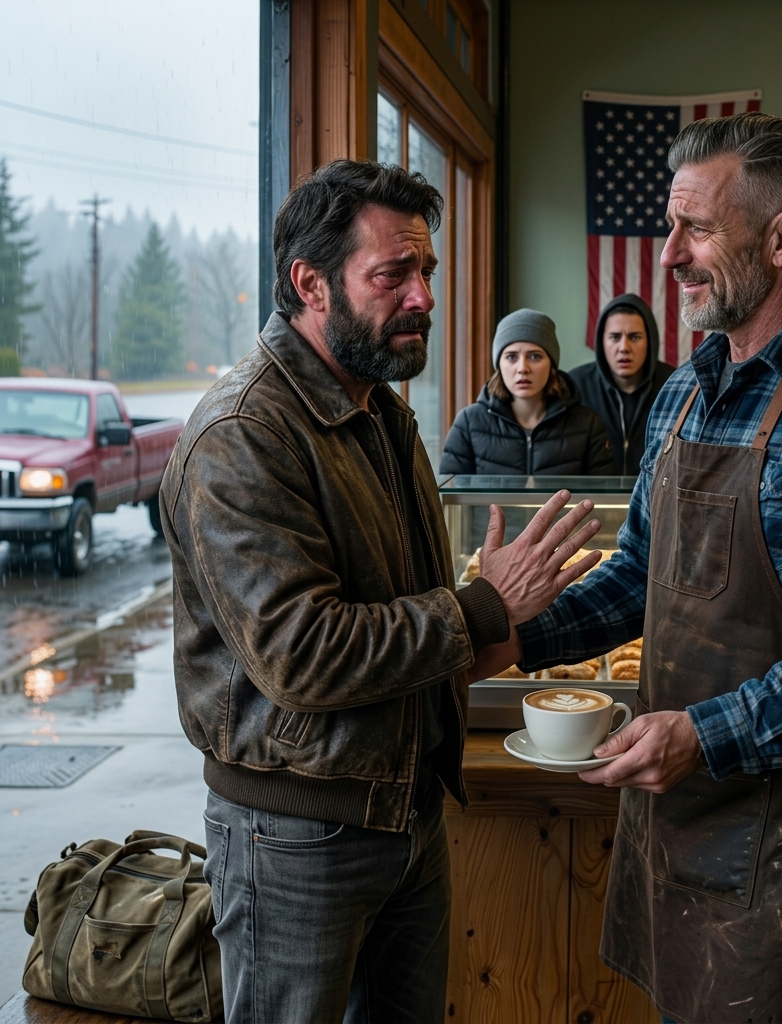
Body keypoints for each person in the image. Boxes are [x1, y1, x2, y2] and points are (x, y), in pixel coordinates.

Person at [472, 113, 782, 1024]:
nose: (667, 256)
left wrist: (705, 734)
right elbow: (641, 572)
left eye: (695, 229)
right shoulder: (687, 390)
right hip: (682, 801)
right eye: (668, 225)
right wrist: (509, 630)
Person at [159, 160, 603, 1024]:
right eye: (392, 275)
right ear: (309, 284)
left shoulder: (382, 413)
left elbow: (403, 612)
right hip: (295, 838)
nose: (423, 297)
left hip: (405, 812)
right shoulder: (244, 432)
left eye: (427, 272)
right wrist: (482, 606)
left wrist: (504, 631)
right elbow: (300, 653)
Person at [439, 308, 615, 475]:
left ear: (551, 364)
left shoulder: (587, 424)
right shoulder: (469, 424)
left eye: (534, 356)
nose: (522, 368)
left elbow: (603, 499)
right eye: (511, 357)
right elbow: (449, 499)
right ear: (499, 365)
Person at [569, 293, 674, 474]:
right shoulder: (576, 386)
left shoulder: (674, 385)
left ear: (650, 341)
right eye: (615, 337)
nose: (624, 347)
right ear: (602, 341)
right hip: (594, 499)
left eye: (634, 337)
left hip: (656, 498)